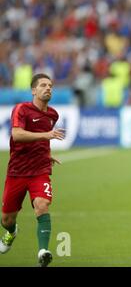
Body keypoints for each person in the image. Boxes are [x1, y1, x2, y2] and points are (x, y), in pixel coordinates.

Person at [0, 73, 65, 267]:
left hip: (40, 170)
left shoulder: (53, 114)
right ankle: (11, 232)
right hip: (17, 171)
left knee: (42, 204)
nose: (48, 88)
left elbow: (43, 141)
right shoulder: (21, 109)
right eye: (43, 85)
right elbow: (17, 135)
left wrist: (47, 154)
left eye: (51, 86)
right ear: (33, 90)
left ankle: (43, 251)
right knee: (6, 219)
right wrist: (47, 135)